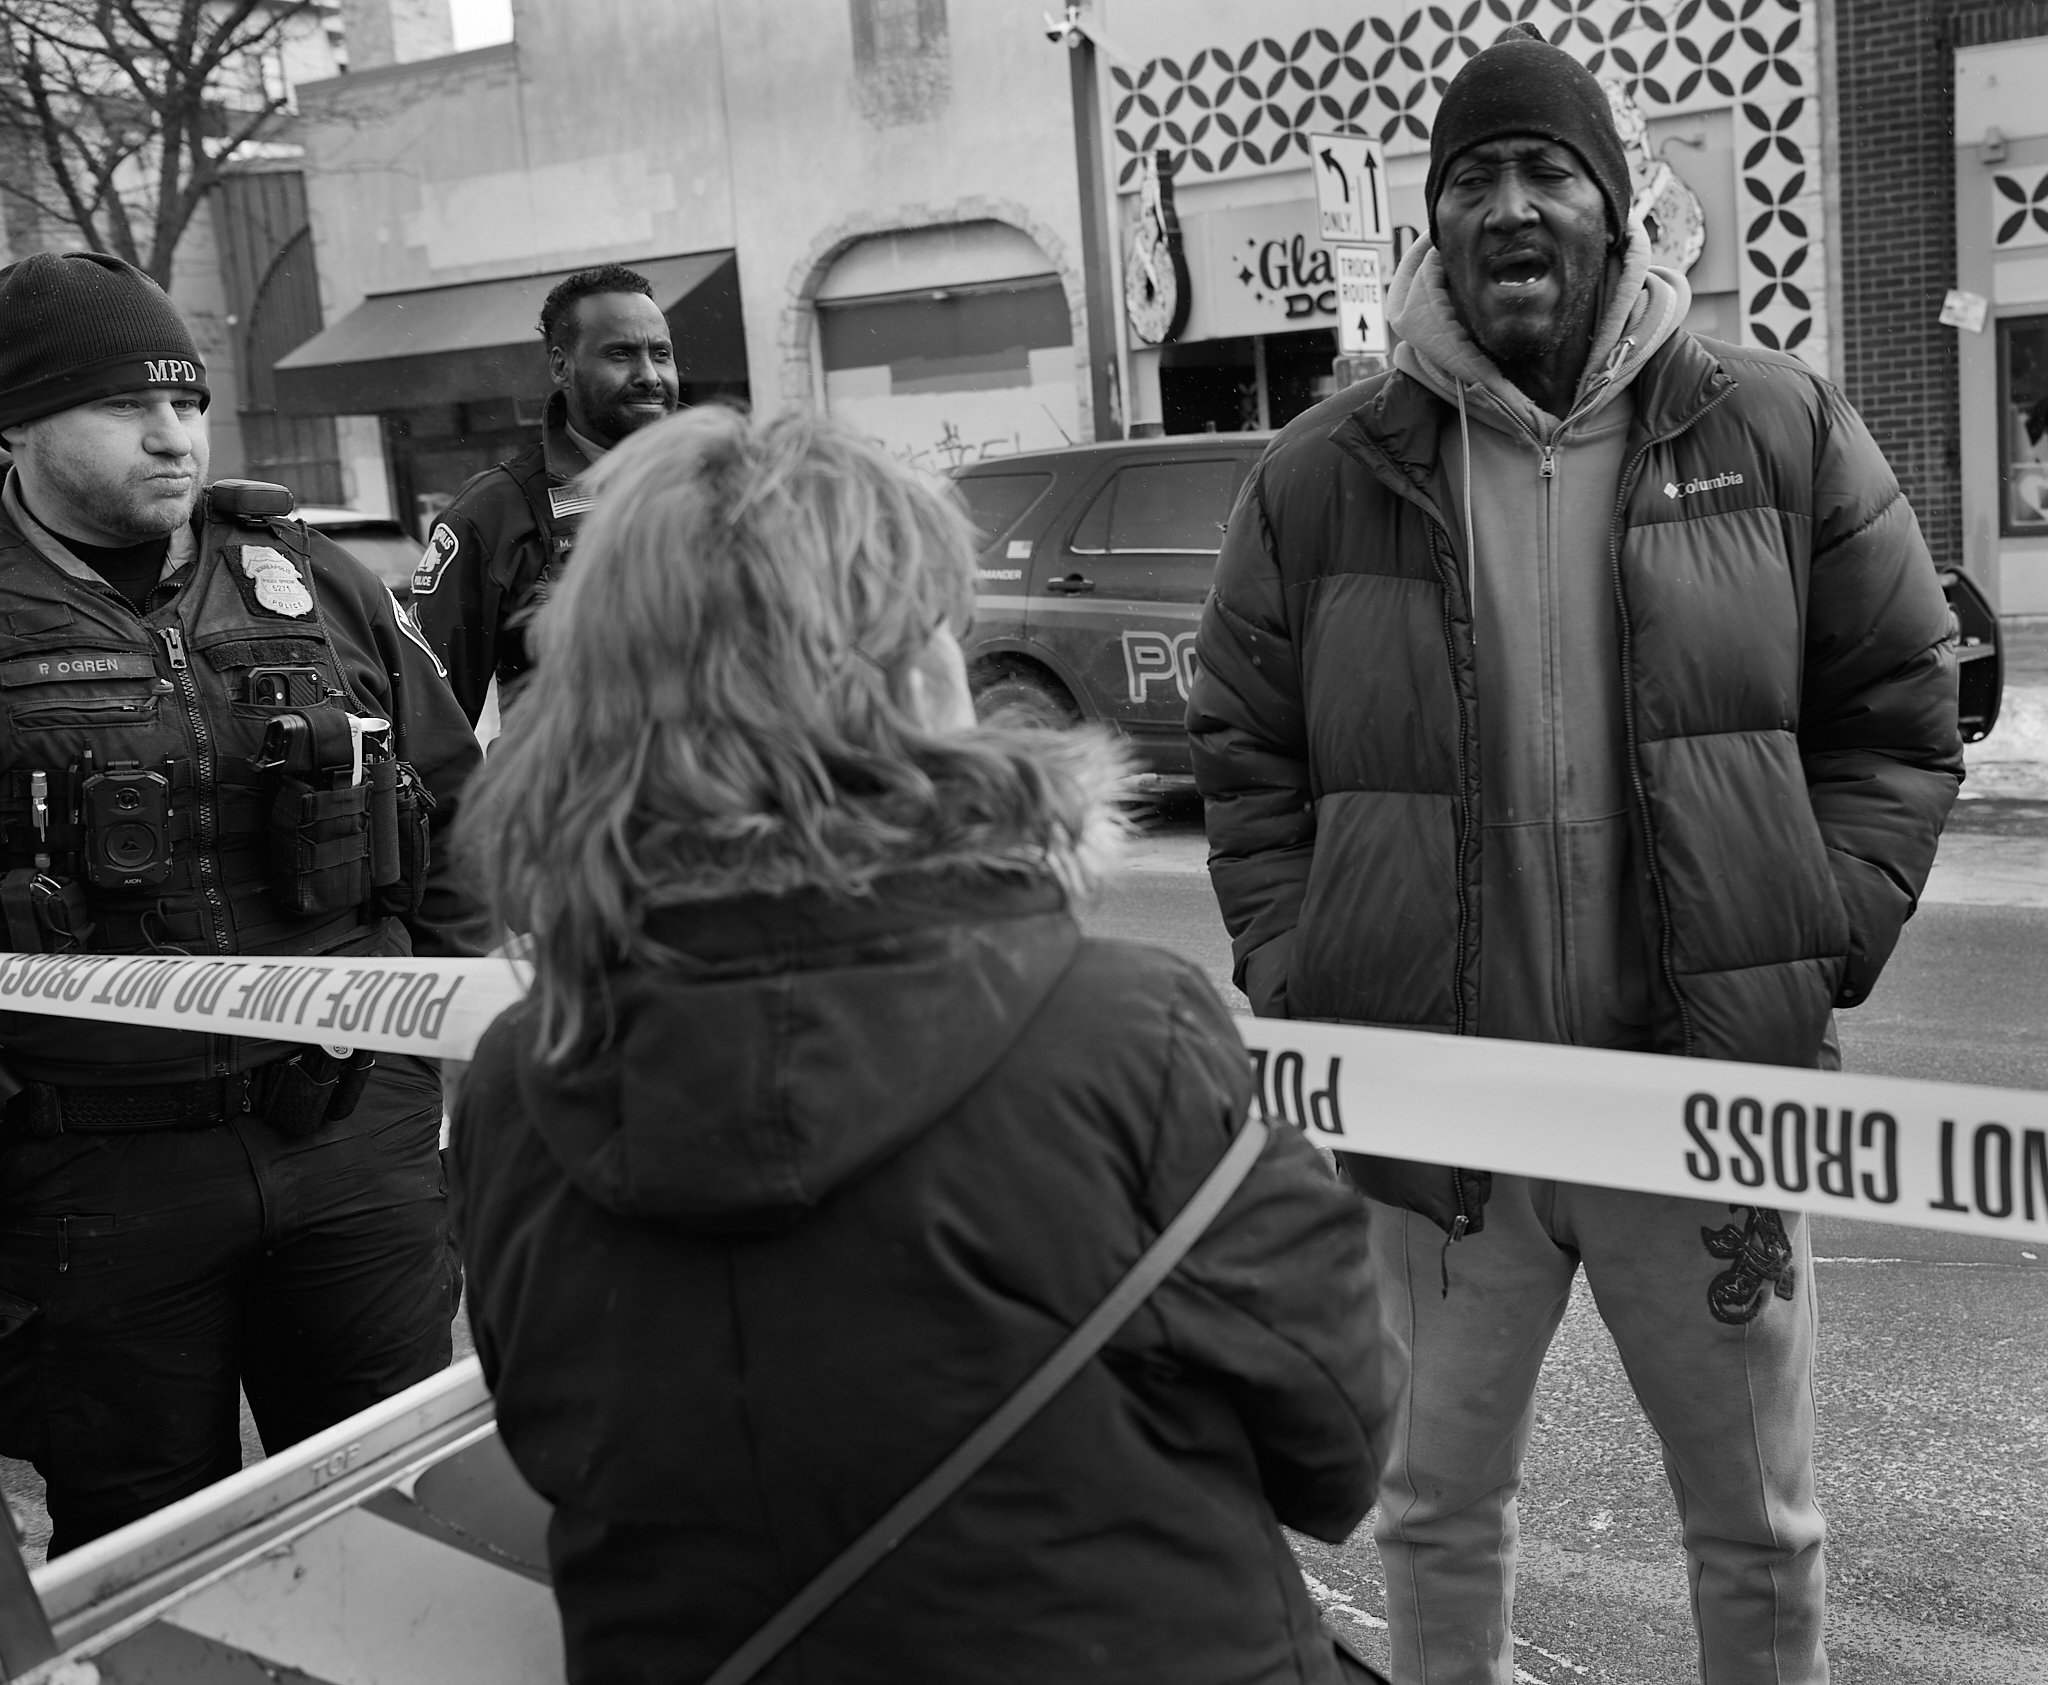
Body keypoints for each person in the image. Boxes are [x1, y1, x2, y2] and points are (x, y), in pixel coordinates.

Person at [1187, 26, 1960, 1685]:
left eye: (1549, 172)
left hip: (1699, 1109)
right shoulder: (1321, 476)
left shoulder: (1776, 429)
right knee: (1435, 1517)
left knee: (1759, 1525)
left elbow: (1898, 706)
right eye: (1475, 180)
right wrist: (1301, 974)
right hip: (1435, 1120)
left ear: (1614, 210)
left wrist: (1812, 938)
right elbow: (1244, 757)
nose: (1514, 208)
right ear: (1432, 225)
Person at [449, 407, 1402, 1684]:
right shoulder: (1129, 1034)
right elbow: (1339, 1439)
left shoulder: (521, 1071)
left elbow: (550, 1430)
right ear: (906, 680)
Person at [0, 252, 481, 1551]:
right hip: (90, 1185)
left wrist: (463, 1074)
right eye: (124, 406)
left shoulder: (314, 580)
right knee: (149, 1553)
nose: (174, 436)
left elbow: (459, 825)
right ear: (19, 422)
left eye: (191, 402)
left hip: (352, 1148)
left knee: (402, 1521)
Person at [409, 262, 681, 723]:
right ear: (561, 366)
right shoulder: (494, 511)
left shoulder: (732, 487)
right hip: (571, 792)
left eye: (660, 354)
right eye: (620, 354)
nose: (650, 376)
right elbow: (429, 723)